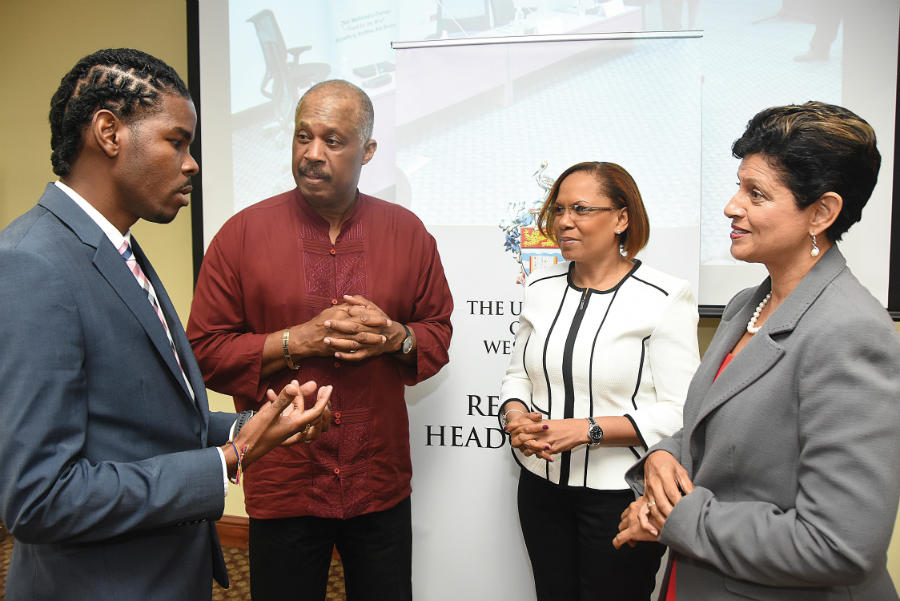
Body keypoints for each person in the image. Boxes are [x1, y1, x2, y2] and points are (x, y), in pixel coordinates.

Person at [0, 48, 332, 601]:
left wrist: (255, 425)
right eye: (176, 141)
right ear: (108, 133)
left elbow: (141, 422)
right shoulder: (34, 262)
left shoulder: (116, 248)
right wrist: (227, 460)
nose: (191, 163)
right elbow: (40, 499)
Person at [614, 102, 900, 600]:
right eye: (739, 186)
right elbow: (716, 428)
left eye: (757, 194)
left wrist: (676, 517)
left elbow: (840, 545)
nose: (731, 206)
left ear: (823, 212)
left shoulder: (850, 332)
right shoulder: (748, 303)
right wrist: (662, 458)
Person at [187, 79, 453, 600]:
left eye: (333, 140)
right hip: (285, 479)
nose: (312, 153)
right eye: (302, 136)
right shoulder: (240, 236)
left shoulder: (408, 233)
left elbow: (437, 333)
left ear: (368, 151)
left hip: (378, 481)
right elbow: (204, 351)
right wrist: (296, 342)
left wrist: (395, 338)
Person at [498, 161, 700, 601]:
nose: (564, 221)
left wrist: (587, 429)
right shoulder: (541, 288)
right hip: (540, 488)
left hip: (621, 495)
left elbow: (681, 410)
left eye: (582, 209)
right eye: (558, 209)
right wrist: (515, 416)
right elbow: (517, 376)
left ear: (621, 219)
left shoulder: (665, 296)